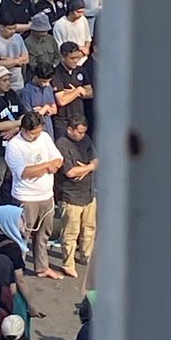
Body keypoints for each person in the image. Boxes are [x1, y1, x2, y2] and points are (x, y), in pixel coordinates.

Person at [4, 111, 64, 279]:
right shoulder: (14, 145)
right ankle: (17, 270)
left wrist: (49, 166)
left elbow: (58, 159)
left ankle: (42, 267)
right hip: (25, 197)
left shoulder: (44, 137)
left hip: (46, 195)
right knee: (22, 235)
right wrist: (46, 166)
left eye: (38, 131)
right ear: (23, 130)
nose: (36, 136)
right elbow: (24, 172)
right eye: (33, 133)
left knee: (44, 234)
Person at [55, 114, 98, 278]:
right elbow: (70, 172)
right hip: (71, 196)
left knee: (89, 228)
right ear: (70, 129)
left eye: (83, 132)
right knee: (70, 233)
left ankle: (86, 256)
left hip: (88, 192)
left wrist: (87, 168)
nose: (82, 135)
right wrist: (90, 167)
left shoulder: (86, 140)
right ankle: (68, 264)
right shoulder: (62, 144)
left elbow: (97, 160)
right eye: (79, 132)